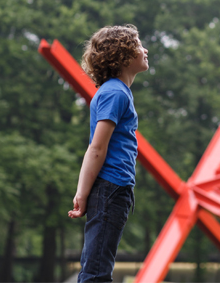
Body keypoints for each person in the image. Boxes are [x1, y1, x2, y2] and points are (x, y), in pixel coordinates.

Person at [68, 24, 149, 282]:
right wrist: (82, 193)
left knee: (100, 265)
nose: (145, 50)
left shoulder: (119, 92)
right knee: (96, 270)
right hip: (109, 187)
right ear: (122, 56)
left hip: (115, 188)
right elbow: (96, 148)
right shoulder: (114, 92)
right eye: (137, 45)